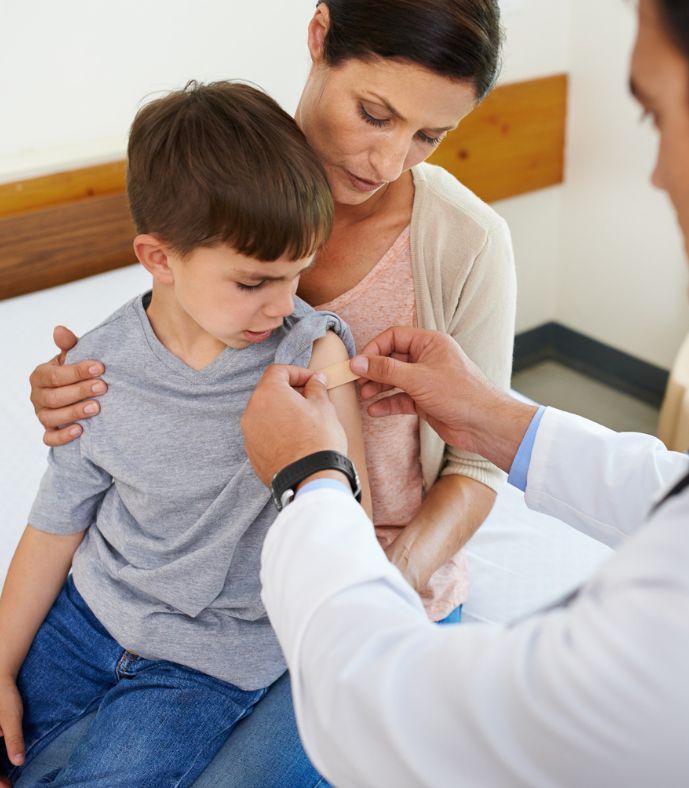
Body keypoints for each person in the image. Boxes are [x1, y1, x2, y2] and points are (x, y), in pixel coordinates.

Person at [240, 0, 689, 784]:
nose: (658, 174)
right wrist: (497, 418)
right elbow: (688, 490)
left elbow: (386, 711)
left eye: (655, 115)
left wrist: (313, 482)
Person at [22, 0, 512, 783]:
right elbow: (161, 350)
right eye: (375, 114)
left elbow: (479, 464)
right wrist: (71, 391)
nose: (389, 160)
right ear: (320, 37)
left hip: (363, 576)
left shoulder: (467, 242)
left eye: (428, 136)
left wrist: (378, 587)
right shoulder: (224, 175)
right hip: (185, 587)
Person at [0, 80, 369, 786]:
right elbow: (55, 524)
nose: (284, 303)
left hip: (209, 663)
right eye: (253, 281)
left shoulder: (311, 357)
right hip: (85, 621)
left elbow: (348, 524)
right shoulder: (93, 371)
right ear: (160, 258)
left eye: (296, 273)